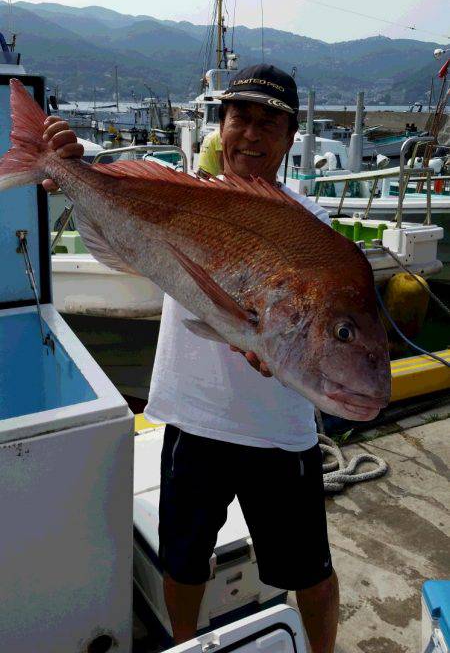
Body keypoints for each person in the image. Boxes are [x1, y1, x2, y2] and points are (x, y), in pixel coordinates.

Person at [42, 64, 339, 653]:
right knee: (184, 561)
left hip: (281, 435)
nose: (251, 134)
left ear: (290, 136)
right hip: (193, 419)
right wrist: (71, 172)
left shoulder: (314, 228)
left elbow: (325, 339)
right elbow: (119, 252)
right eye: (240, 118)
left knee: (310, 572)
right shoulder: (179, 194)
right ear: (221, 126)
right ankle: (185, 644)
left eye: (269, 122)